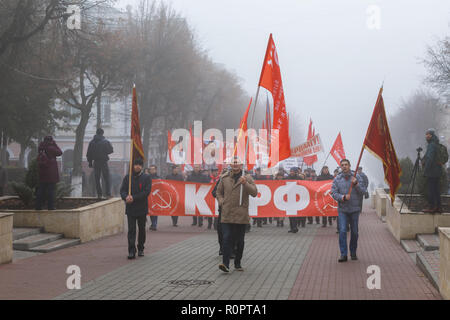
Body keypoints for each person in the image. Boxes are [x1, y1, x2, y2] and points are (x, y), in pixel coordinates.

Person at [217, 157, 258, 272]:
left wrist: (245, 184)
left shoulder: (247, 177)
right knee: (226, 238)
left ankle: (237, 263)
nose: (235, 165)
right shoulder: (224, 178)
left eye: (237, 163)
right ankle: (225, 264)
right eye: (233, 163)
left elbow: (254, 193)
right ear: (230, 164)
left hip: (241, 214)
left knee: (239, 241)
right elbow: (218, 192)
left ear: (241, 165)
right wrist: (221, 201)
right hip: (227, 213)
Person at [331, 159, 366, 262]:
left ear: (349, 166)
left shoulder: (357, 177)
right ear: (340, 167)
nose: (344, 166)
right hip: (343, 210)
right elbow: (333, 192)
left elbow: (363, 191)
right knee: (342, 231)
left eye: (346, 165)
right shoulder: (337, 179)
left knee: (354, 232)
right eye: (342, 165)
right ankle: (343, 254)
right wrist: (342, 197)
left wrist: (356, 184)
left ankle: (353, 252)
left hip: (354, 209)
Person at [120, 158, 152, 259]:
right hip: (131, 209)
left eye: (139, 165)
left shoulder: (146, 178)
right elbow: (122, 190)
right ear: (133, 166)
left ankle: (141, 248)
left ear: (142, 167)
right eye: (135, 165)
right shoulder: (127, 178)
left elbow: (146, 192)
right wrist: (126, 197)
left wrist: (134, 197)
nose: (137, 166)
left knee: (142, 229)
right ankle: (131, 251)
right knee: (131, 230)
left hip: (142, 208)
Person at [35, 136, 62, 210]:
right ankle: (50, 206)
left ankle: (38, 206)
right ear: (51, 141)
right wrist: (55, 144)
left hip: (42, 172)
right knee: (51, 190)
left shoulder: (41, 147)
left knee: (41, 189)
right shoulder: (51, 148)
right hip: (51, 173)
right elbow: (60, 152)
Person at [86, 128, 114, 199]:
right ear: (102, 133)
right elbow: (111, 150)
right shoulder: (105, 141)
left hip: (96, 162)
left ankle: (99, 194)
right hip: (104, 162)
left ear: (96, 133)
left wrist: (90, 163)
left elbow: (89, 153)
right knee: (106, 178)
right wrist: (105, 152)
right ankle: (107, 193)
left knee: (97, 179)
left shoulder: (91, 142)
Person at [422, 129, 444, 213]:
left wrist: (425, 170)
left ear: (432, 135)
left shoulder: (431, 145)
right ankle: (438, 207)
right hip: (437, 171)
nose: (426, 136)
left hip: (432, 172)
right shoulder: (435, 144)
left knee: (431, 189)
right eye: (426, 134)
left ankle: (432, 207)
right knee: (436, 190)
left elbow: (430, 159)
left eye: (428, 134)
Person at [285, 167, 303, 233]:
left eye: (293, 171)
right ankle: (292, 227)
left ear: (295, 172)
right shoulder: (287, 178)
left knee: (294, 214)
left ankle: (295, 227)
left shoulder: (299, 178)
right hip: (289, 198)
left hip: (296, 198)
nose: (291, 172)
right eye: (291, 171)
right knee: (290, 214)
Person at [146, 165, 160, 230]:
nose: (152, 170)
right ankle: (153, 223)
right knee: (151, 211)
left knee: (155, 211)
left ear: (156, 170)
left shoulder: (158, 178)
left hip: (156, 196)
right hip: (148, 196)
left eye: (153, 169)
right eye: (151, 169)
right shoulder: (147, 177)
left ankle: (154, 224)